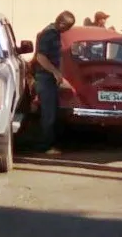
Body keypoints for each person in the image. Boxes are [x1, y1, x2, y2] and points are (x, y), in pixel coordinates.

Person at [33, 11, 76, 154]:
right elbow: (41, 57)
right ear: (62, 23)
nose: (67, 30)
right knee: (48, 113)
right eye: (67, 27)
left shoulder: (54, 33)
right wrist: (55, 72)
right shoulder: (49, 34)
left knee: (51, 112)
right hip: (45, 77)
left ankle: (48, 143)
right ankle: (44, 146)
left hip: (49, 77)